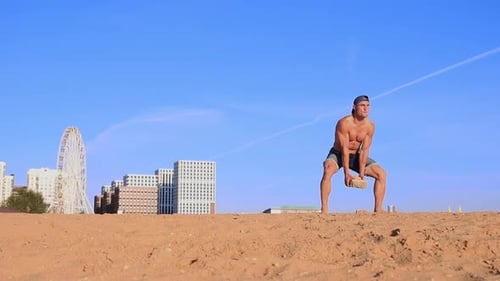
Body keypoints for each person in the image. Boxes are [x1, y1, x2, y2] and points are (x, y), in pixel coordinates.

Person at [320, 95, 386, 213]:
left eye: (368, 106)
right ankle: (324, 209)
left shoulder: (370, 126)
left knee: (381, 174)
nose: (366, 109)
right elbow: (344, 149)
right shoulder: (344, 123)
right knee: (328, 169)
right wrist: (346, 174)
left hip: (356, 156)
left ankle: (378, 210)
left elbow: (365, 150)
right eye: (362, 106)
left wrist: (361, 174)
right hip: (339, 154)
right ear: (354, 107)